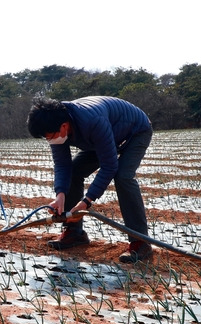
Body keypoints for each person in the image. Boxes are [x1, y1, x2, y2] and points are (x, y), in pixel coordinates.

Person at [27, 96, 153, 263]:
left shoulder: (92, 120)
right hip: (102, 139)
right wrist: (60, 195)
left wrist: (86, 201)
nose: (50, 140)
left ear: (64, 126)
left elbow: (109, 166)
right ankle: (74, 233)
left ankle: (140, 242)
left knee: (123, 176)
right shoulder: (57, 124)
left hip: (135, 131)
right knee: (74, 172)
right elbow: (63, 165)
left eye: (50, 136)